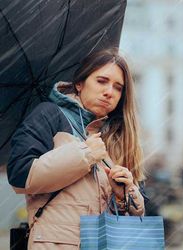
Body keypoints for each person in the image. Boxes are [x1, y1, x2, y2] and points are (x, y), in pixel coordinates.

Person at [7, 48, 146, 249]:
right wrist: (85, 155)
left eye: (118, 87)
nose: (109, 92)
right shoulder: (50, 115)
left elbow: (132, 216)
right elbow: (20, 175)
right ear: (79, 84)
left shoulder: (115, 134)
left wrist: (125, 194)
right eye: (101, 81)